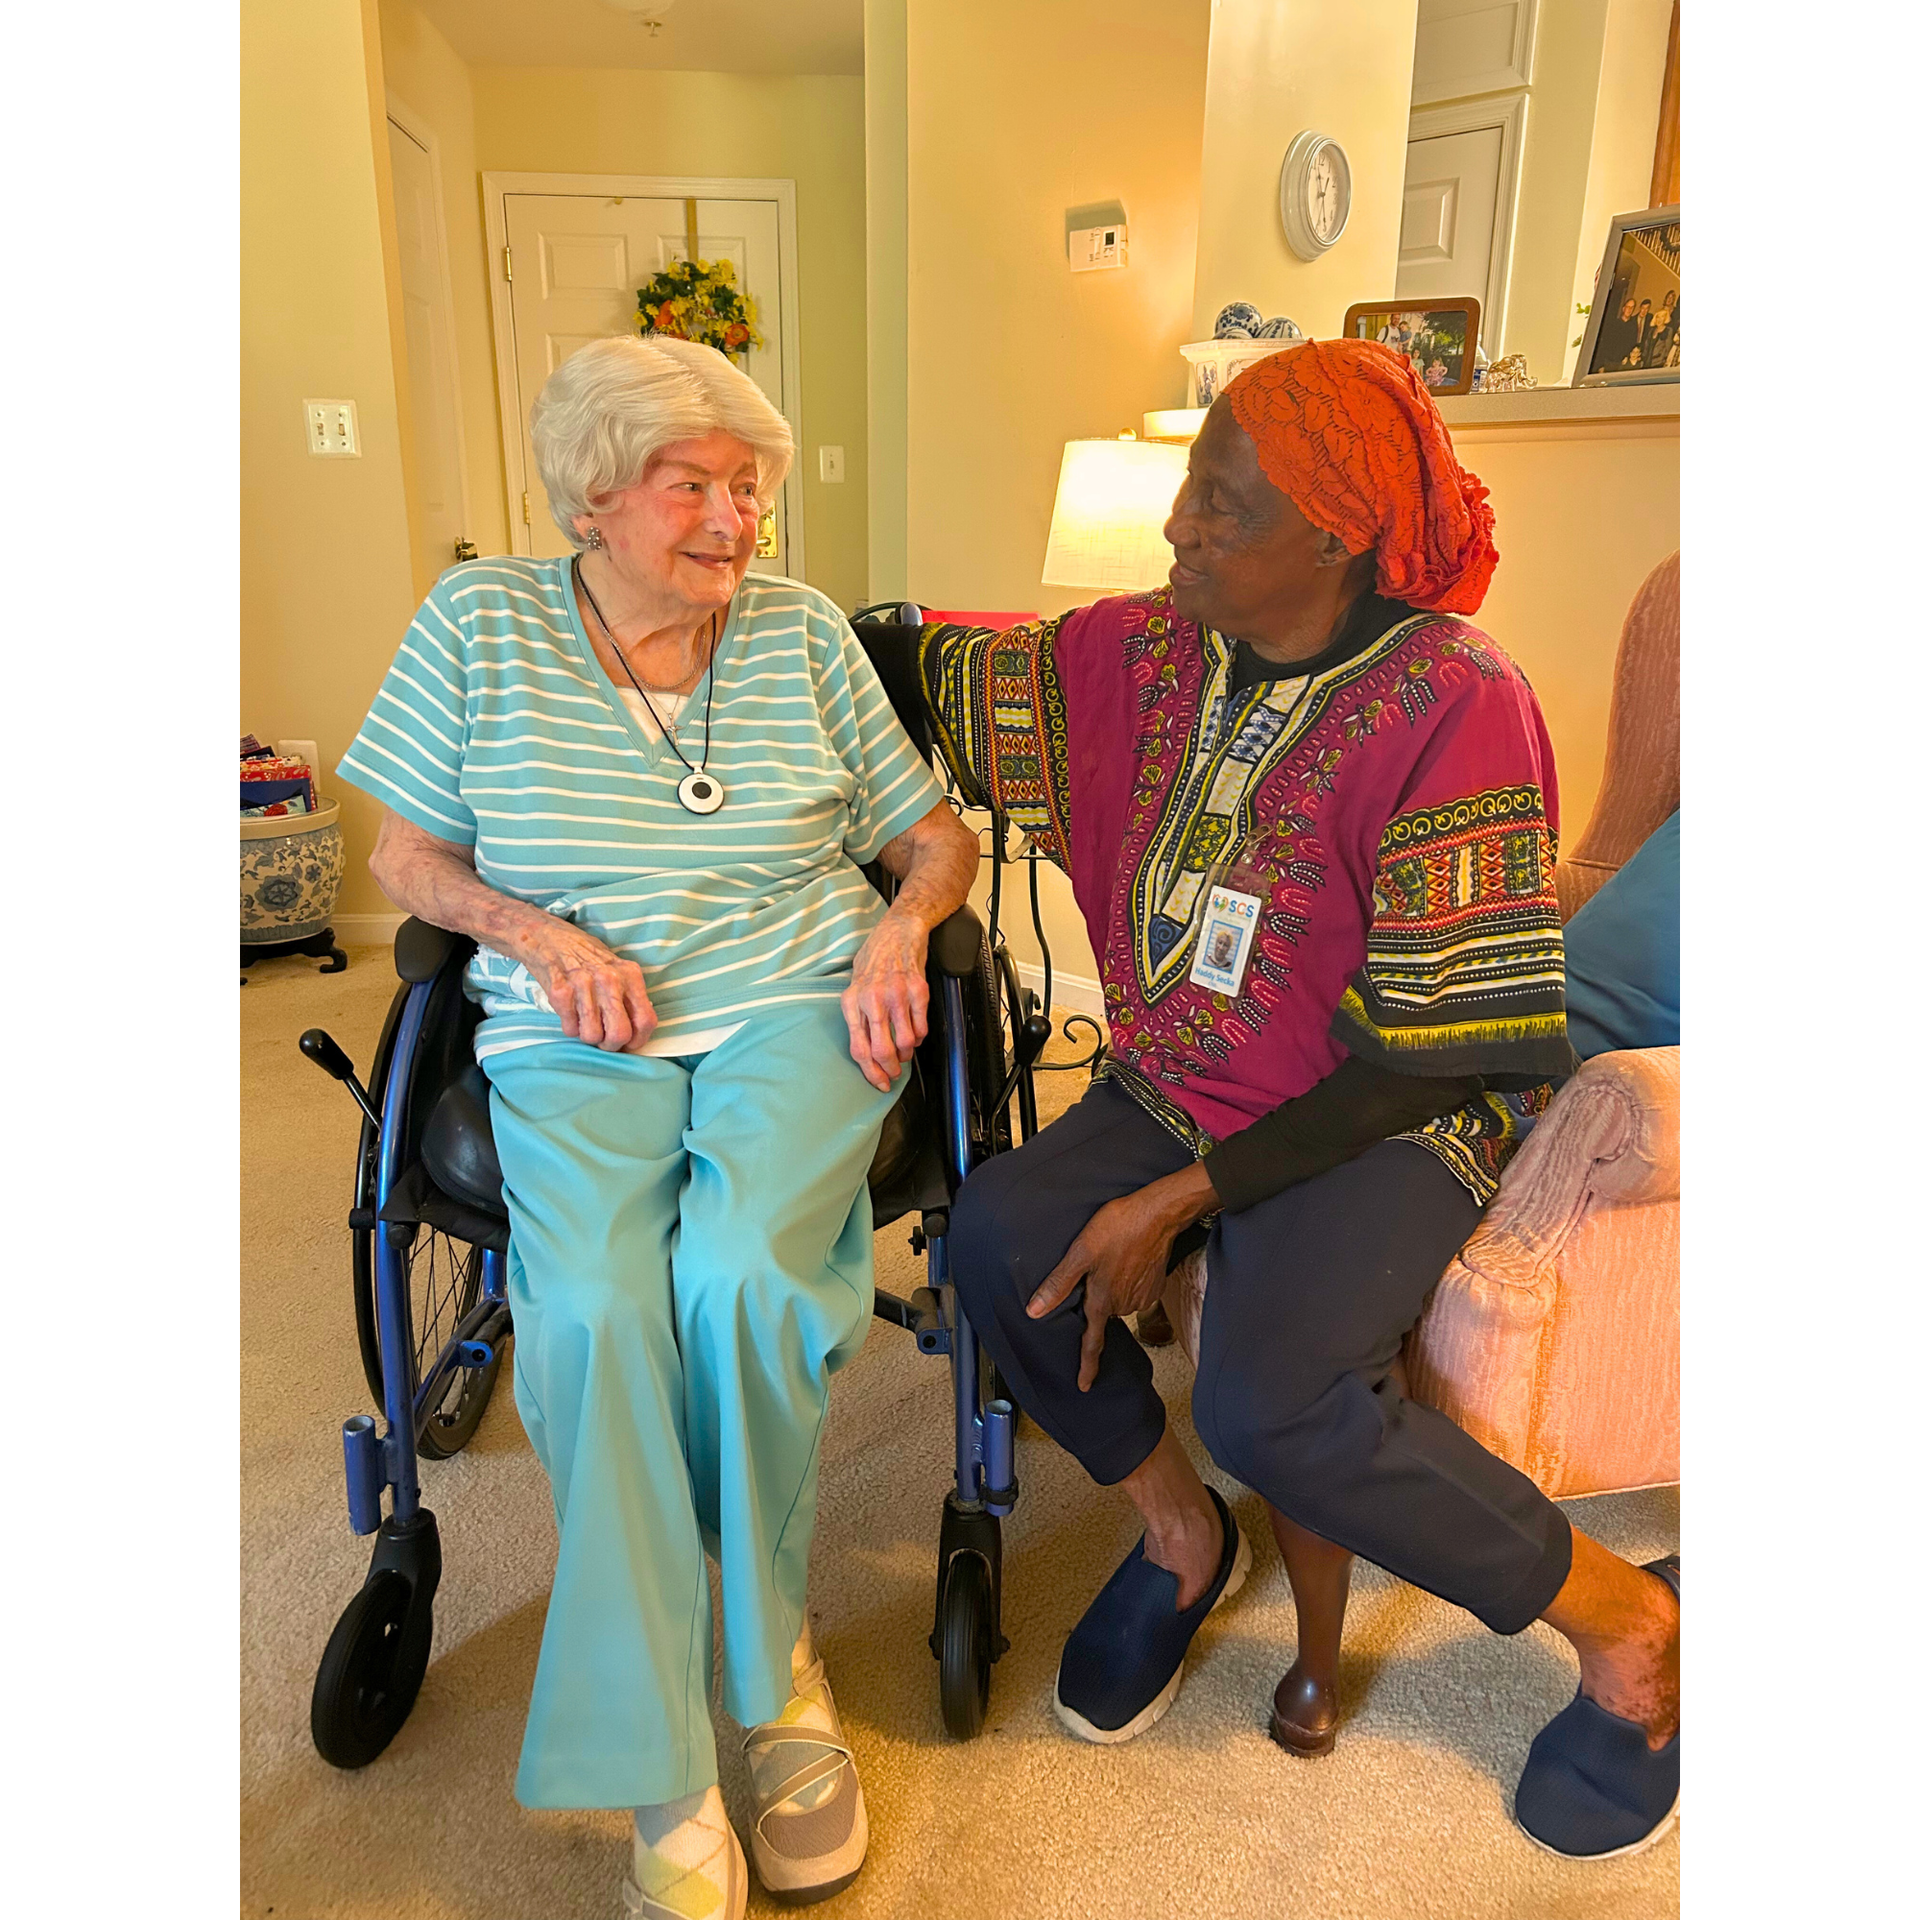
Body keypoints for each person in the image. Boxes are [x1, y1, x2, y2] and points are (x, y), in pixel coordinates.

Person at [919, 339, 1679, 1862]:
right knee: (997, 1236)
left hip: (1391, 1101)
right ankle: (1178, 1538)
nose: (1179, 527)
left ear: (1331, 537)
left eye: (1218, 503)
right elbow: (933, 659)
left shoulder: (1459, 699)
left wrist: (1183, 1198)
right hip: (1189, 1065)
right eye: (1190, 490)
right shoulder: (1145, 652)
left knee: (1274, 1400)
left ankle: (1629, 1630)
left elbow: (1450, 1045)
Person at [336, 335, 978, 1918]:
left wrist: (900, 929)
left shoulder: (804, 634)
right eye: (691, 483)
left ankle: (773, 1679)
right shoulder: (479, 624)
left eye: (747, 486)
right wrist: (537, 937)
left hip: (799, 1004)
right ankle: (662, 1751)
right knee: (600, 1312)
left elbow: (935, 835)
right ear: (595, 495)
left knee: (747, 1281)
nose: (733, 518)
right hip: (580, 1022)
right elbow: (404, 860)